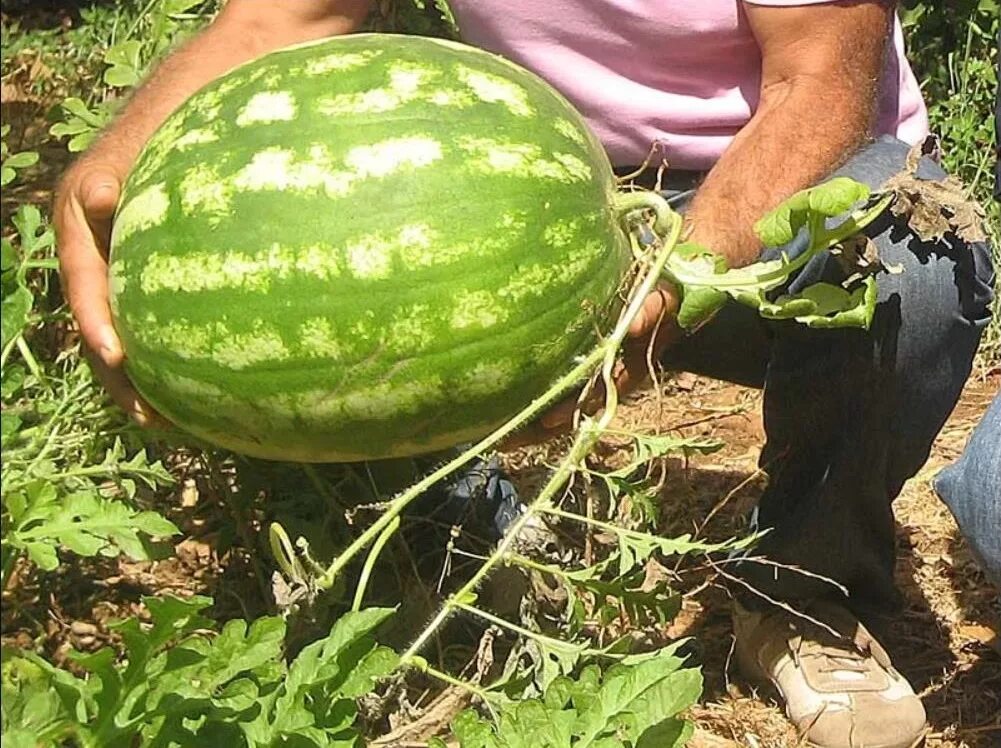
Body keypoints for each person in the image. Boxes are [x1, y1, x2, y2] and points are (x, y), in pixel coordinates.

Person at [53, 2, 995, 747]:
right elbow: (280, 20)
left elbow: (818, 75)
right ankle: (466, 539)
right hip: (536, 172)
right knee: (363, 253)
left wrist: (666, 284)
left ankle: (801, 592)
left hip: (796, 164)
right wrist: (114, 160)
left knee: (915, 270)